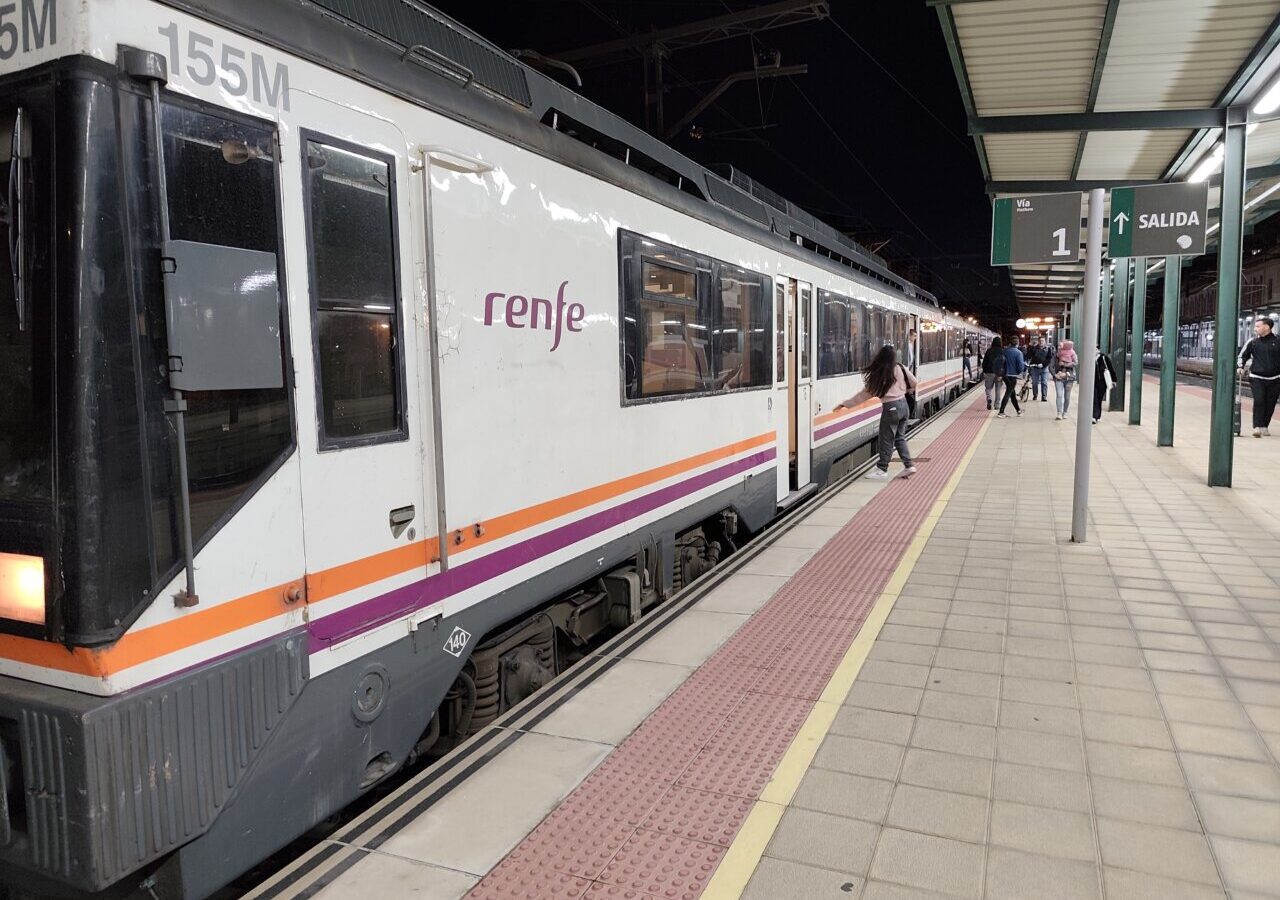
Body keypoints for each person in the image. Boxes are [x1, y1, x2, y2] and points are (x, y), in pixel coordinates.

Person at [834, 345, 917, 481]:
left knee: (886, 439)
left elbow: (863, 395)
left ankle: (882, 469)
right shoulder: (900, 367)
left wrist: (845, 404)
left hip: (891, 408)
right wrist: (904, 390)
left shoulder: (880, 373)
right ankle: (909, 465)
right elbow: (913, 382)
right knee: (899, 437)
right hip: (904, 406)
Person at [1239, 315, 1280, 437]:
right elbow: (1242, 355)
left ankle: (1264, 426)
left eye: (1258, 326)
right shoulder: (1253, 342)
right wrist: (1240, 366)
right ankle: (1257, 426)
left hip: (1276, 378)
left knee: (1271, 403)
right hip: (1257, 377)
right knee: (1259, 400)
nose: (1255, 328)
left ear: (1267, 327)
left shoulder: (1278, 341)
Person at [1050, 339, 1078, 420]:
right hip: (1058, 377)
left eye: (1061, 345)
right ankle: (1059, 412)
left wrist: (1065, 364)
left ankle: (1065, 412)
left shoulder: (1072, 353)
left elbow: (1075, 363)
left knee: (1067, 397)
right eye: (1058, 346)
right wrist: (1055, 375)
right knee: (1059, 395)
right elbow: (1051, 366)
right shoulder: (1056, 355)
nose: (1059, 347)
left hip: (1069, 378)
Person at [998, 338, 1026, 417]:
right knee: (1008, 392)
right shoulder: (1019, 353)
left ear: (1010, 343)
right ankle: (1001, 412)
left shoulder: (1005, 351)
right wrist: (1018, 372)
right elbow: (1021, 366)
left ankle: (1018, 410)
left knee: (1012, 393)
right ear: (1017, 343)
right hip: (1013, 376)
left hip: (1005, 375)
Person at [1093, 346, 1117, 423]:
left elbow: (1110, 368)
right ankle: (1094, 416)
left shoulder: (1104, 358)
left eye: (1096, 349)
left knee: (1099, 398)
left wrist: (1114, 380)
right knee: (1094, 398)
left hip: (1102, 382)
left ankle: (1097, 415)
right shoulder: (1089, 357)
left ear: (1098, 350)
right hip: (1092, 382)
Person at [981, 336, 1005, 410]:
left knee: (988, 388)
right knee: (998, 389)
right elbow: (1004, 363)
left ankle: (989, 399)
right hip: (998, 373)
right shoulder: (1002, 351)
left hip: (989, 373)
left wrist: (984, 371)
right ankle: (997, 405)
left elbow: (984, 362)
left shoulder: (989, 351)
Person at [1026, 336, 1053, 402]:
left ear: (1045, 342)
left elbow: (1049, 359)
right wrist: (1030, 348)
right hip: (1035, 368)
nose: (1041, 342)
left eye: (1043, 341)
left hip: (1044, 369)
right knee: (1035, 383)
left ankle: (1044, 396)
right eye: (1040, 340)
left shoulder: (1048, 349)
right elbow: (1028, 356)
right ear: (1038, 341)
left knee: (1044, 382)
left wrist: (1043, 364)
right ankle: (1035, 395)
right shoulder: (1034, 348)